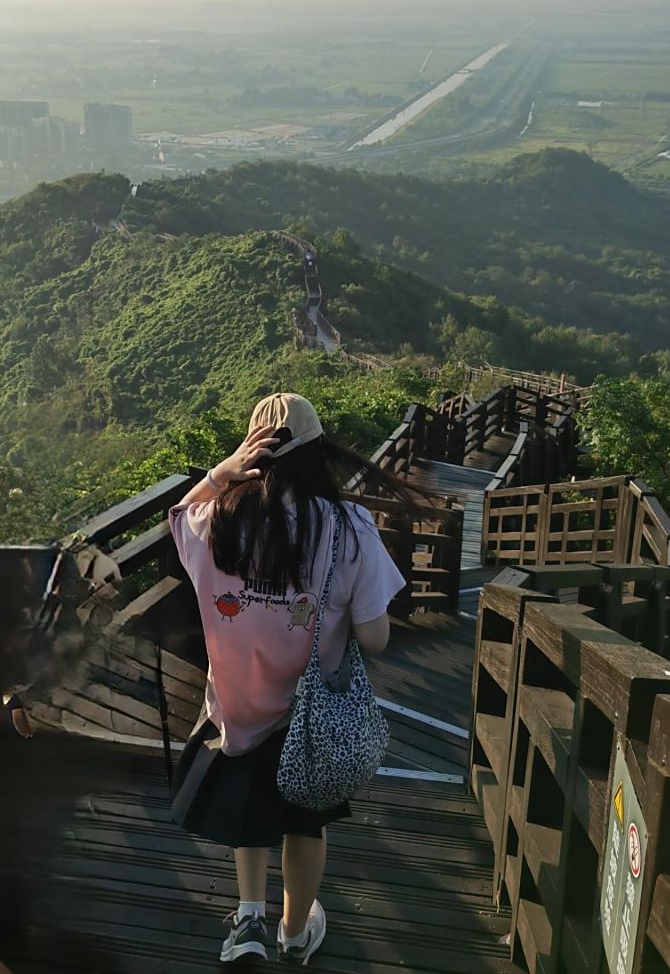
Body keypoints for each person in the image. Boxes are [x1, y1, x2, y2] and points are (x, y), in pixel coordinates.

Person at [167, 392, 430, 965]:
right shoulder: (348, 527)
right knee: (303, 825)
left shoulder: (218, 520)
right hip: (309, 717)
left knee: (249, 820)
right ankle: (292, 932)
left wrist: (218, 473)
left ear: (251, 452)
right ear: (316, 452)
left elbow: (176, 522)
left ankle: (248, 924)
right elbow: (377, 637)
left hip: (235, 708)